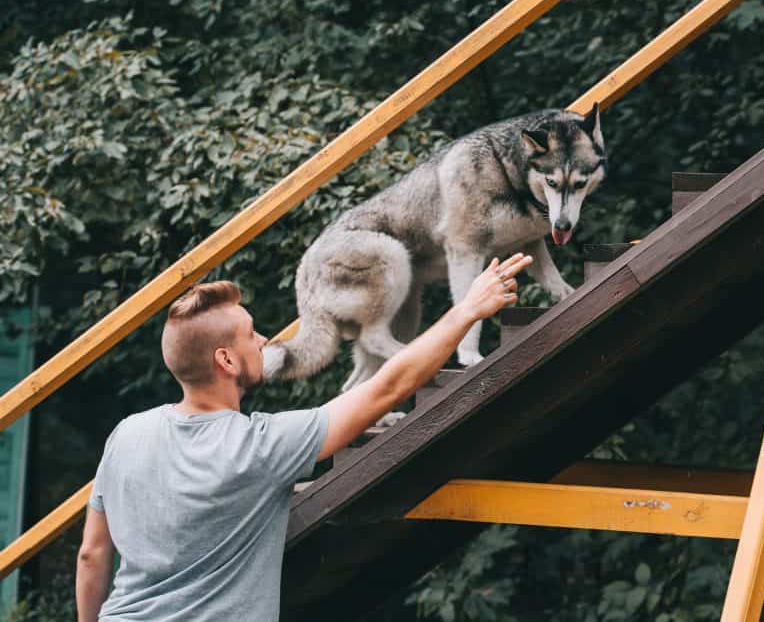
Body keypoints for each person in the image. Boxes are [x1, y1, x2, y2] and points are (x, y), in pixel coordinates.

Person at [75, 253, 534, 621]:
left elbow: (92, 555)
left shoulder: (126, 435)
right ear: (226, 361)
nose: (265, 341)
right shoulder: (261, 447)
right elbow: (388, 387)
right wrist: (468, 309)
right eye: (251, 336)